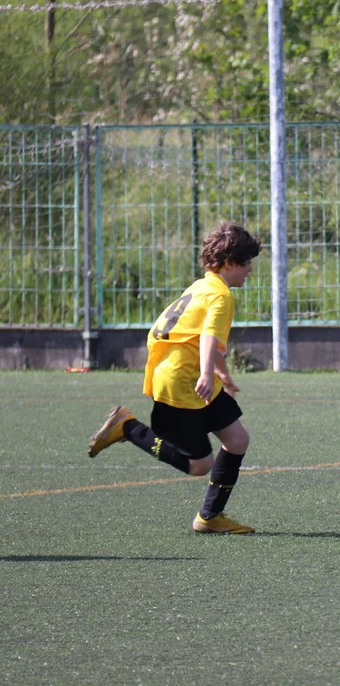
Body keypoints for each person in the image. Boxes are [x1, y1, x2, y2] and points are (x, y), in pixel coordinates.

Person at [88, 221, 262, 533]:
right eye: (247, 262)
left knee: (237, 440)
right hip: (183, 383)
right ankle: (127, 427)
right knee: (199, 465)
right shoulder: (221, 296)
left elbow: (194, 336)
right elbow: (208, 336)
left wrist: (220, 372)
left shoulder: (200, 287)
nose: (250, 270)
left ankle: (210, 517)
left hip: (189, 376)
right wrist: (208, 373)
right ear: (229, 262)